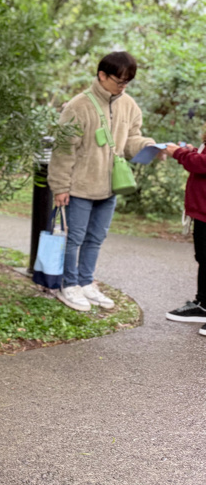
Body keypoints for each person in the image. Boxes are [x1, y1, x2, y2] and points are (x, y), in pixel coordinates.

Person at [47, 51, 155, 312]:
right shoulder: (78, 106)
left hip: (110, 186)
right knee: (74, 238)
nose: (123, 86)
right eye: (119, 81)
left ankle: (86, 283)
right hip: (80, 186)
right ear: (102, 75)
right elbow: (63, 150)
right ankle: (68, 285)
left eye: (127, 82)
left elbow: (130, 141)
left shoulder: (129, 105)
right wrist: (60, 187)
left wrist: (149, 146)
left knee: (96, 238)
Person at [163, 132, 206, 334]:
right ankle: (203, 305)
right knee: (203, 258)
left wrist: (180, 153)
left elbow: (202, 164)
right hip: (202, 210)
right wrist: (192, 151)